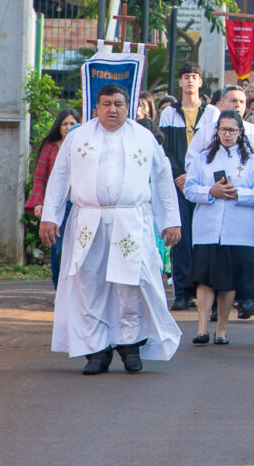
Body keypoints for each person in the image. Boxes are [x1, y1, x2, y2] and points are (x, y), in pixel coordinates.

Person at [38, 83, 182, 375]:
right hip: (87, 220)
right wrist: (50, 216)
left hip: (130, 221)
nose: (112, 109)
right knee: (89, 283)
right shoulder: (78, 137)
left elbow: (163, 178)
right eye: (106, 103)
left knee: (130, 283)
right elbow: (59, 177)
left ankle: (130, 347)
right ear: (96, 107)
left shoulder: (143, 137)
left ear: (127, 107)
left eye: (118, 103)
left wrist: (170, 220)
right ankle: (96, 351)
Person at [184, 110, 254, 345]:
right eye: (223, 129)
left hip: (237, 230)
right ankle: (202, 328)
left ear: (240, 132)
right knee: (204, 279)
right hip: (208, 228)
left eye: (232, 130)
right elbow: (190, 189)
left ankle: (221, 330)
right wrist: (211, 192)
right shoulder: (203, 159)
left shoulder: (251, 161)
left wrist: (237, 193)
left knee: (228, 281)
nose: (228, 134)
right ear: (217, 131)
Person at [159, 61, 217, 311]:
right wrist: (179, 176)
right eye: (185, 76)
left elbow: (214, 148)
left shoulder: (213, 113)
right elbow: (165, 149)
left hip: (205, 184)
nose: (190, 80)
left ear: (200, 82)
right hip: (178, 184)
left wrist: (193, 175)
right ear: (180, 82)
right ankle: (182, 291)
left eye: (194, 76)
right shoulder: (169, 113)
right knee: (180, 238)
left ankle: (207, 288)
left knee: (206, 237)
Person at [25, 108, 81, 288]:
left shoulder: (84, 147)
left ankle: (75, 293)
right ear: (59, 127)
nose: (68, 127)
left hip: (80, 204)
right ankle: (60, 289)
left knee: (78, 250)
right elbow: (40, 178)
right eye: (65, 124)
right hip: (57, 205)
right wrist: (39, 203)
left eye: (72, 123)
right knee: (58, 250)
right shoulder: (50, 148)